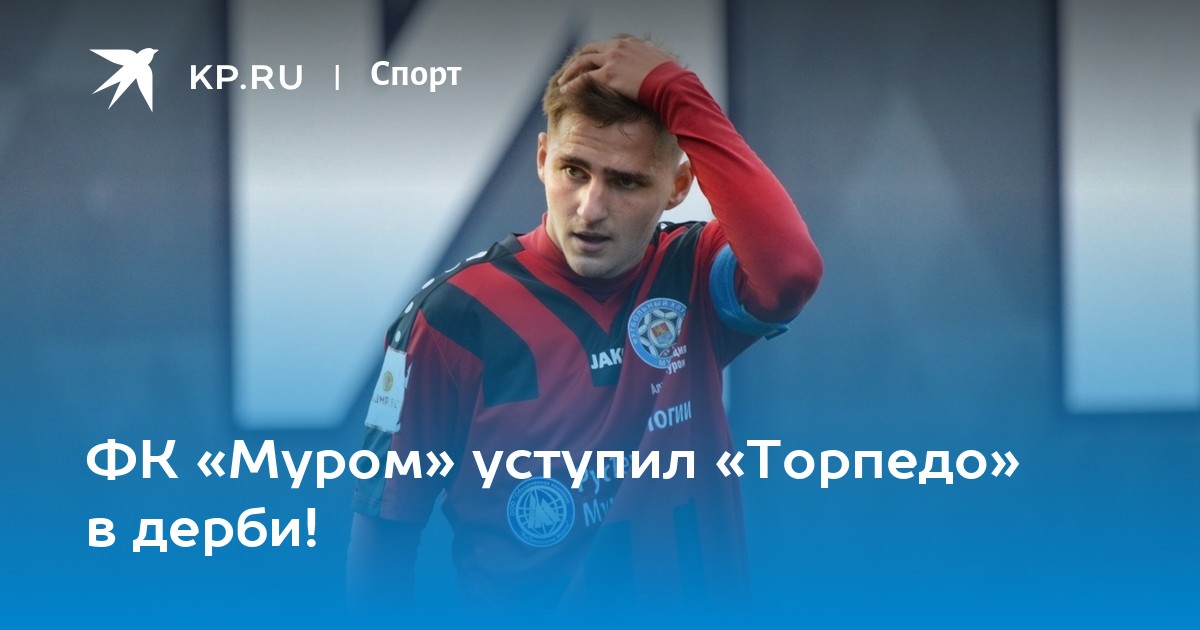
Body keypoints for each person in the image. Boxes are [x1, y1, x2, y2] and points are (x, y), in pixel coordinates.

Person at [347, 35, 822, 613]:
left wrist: (680, 95)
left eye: (626, 181)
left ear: (677, 187)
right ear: (542, 158)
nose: (591, 208)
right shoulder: (449, 318)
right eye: (574, 170)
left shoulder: (693, 272)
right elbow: (382, 546)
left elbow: (791, 272)